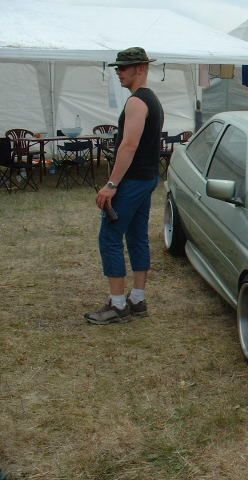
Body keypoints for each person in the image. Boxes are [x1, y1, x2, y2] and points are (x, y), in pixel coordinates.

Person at [85, 47, 164, 325]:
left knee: (109, 237)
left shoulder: (136, 102)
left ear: (140, 68)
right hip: (147, 178)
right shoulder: (150, 99)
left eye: (123, 67)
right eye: (117, 67)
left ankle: (118, 305)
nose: (118, 72)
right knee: (137, 237)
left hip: (132, 181)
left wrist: (111, 184)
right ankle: (137, 299)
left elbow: (128, 146)